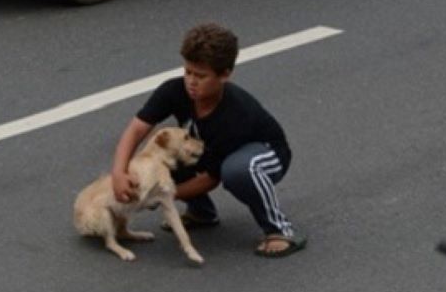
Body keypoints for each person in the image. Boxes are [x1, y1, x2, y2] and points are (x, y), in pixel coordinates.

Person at [110, 23, 307, 258]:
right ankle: (201, 213)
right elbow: (136, 129)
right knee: (170, 151)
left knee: (237, 171)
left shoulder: (236, 114)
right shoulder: (174, 90)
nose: (191, 82)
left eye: (201, 76)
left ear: (224, 75)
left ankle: (279, 230)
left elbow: (211, 178)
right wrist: (118, 173)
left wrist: (162, 196)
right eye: (188, 72)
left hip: (265, 155)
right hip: (214, 150)